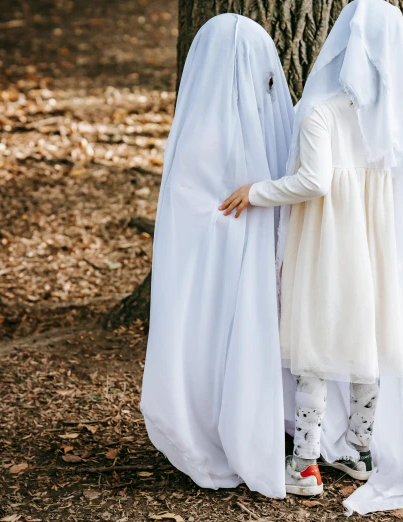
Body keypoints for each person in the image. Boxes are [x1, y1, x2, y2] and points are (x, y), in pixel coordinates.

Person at [220, 0, 403, 512]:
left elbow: (313, 182)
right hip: (376, 245)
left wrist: (257, 191)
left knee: (315, 346)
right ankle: (359, 449)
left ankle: (306, 463)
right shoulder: (391, 116)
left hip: (327, 243)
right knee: (368, 342)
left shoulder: (321, 110)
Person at [141, 14, 294, 498]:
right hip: (211, 271)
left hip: (243, 265)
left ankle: (258, 421)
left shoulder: (255, 120)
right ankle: (220, 426)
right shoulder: (206, 130)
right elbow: (193, 205)